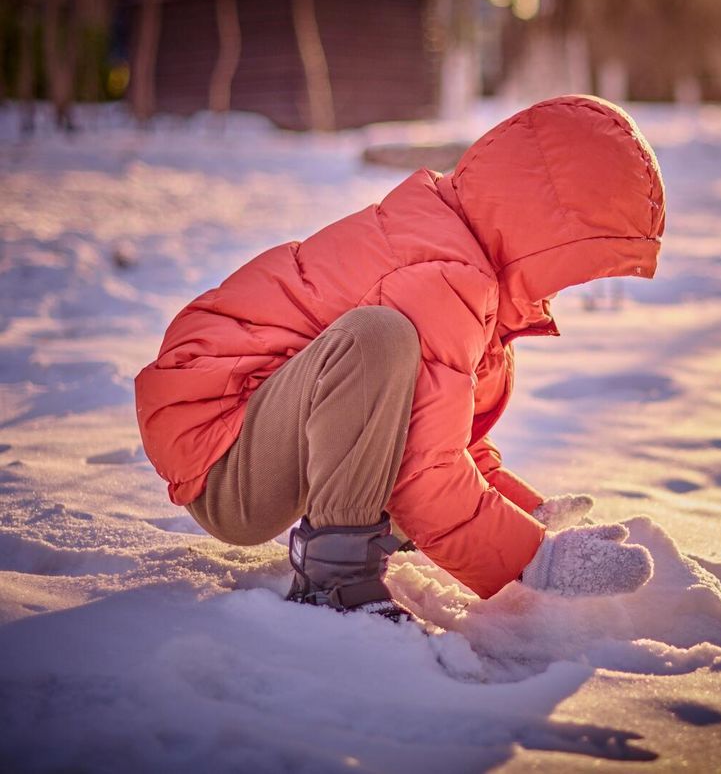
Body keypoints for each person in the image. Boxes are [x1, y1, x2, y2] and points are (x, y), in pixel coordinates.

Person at [135, 94, 666, 622]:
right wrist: (538, 559)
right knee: (378, 337)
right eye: (579, 266)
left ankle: (374, 534)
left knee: (388, 356)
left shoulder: (462, 262)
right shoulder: (444, 274)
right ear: (547, 237)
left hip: (260, 431)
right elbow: (423, 468)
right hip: (225, 455)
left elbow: (432, 429)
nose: (567, 290)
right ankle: (334, 577)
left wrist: (528, 515)